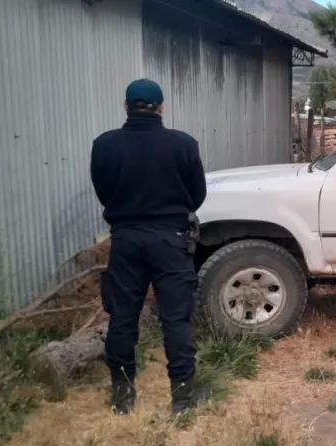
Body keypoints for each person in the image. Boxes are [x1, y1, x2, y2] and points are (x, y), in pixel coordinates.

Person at [89, 78, 207, 415]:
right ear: (161, 108)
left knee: (122, 319)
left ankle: (123, 397)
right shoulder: (183, 145)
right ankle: (183, 398)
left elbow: (104, 192)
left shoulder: (104, 145)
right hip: (171, 241)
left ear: (126, 107)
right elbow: (197, 195)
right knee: (176, 320)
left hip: (125, 241)